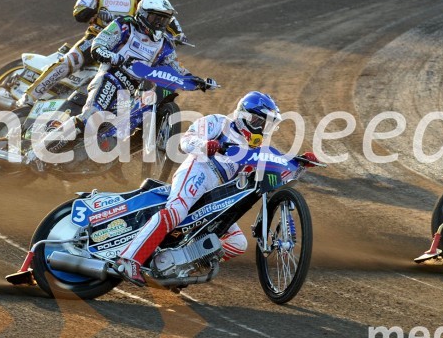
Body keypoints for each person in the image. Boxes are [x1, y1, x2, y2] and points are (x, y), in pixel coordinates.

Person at [115, 91, 318, 285]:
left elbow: (277, 174)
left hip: (217, 193)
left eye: (267, 125)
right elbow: (185, 140)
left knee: (238, 243)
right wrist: (206, 145)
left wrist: (300, 165)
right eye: (260, 122)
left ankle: (177, 267)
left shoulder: (256, 150)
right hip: (198, 170)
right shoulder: (220, 122)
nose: (263, 129)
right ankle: (129, 260)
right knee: (176, 211)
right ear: (245, 116)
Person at [39, 0, 209, 157]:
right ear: (142, 14)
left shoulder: (166, 45)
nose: (158, 23)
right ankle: (38, 152)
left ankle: (110, 157)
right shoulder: (124, 25)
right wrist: (115, 57)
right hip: (111, 77)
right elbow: (99, 45)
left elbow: (176, 68)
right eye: (155, 18)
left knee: (131, 125)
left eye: (163, 19)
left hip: (133, 91)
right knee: (90, 117)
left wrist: (198, 81)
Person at [18, 0, 186, 107]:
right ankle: (29, 97)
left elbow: (159, 9)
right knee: (69, 62)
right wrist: (94, 12)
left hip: (127, 41)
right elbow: (80, 10)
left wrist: (178, 33)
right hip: (96, 37)